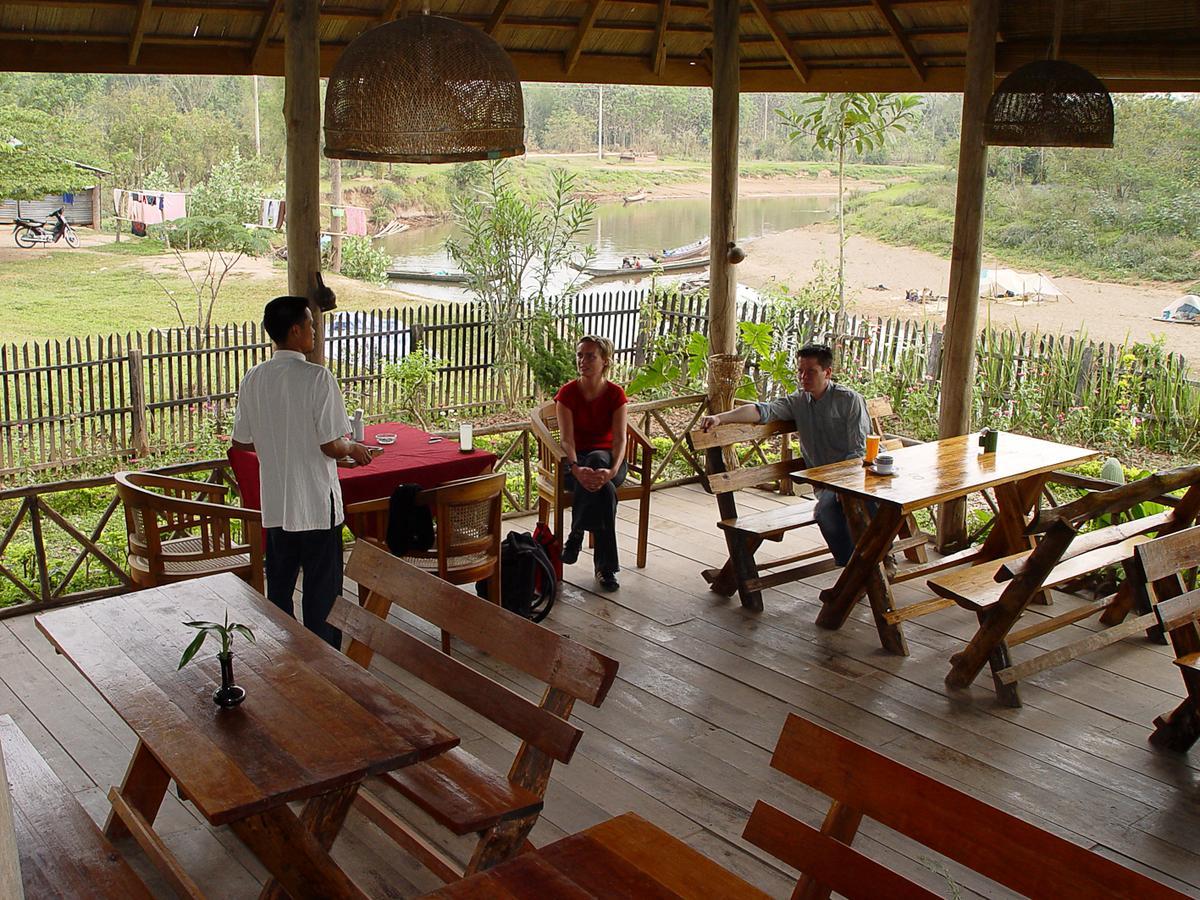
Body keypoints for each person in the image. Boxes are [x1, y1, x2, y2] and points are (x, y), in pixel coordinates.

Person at [231, 296, 376, 647]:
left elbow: (242, 442)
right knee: (322, 591)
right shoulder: (317, 378)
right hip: (315, 503)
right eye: (310, 324)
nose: (315, 330)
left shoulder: (255, 378)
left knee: (280, 588)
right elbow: (331, 444)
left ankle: (286, 656)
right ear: (295, 331)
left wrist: (281, 447)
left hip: (278, 504)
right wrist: (354, 448)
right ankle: (326, 662)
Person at [698, 343, 869, 566]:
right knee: (827, 511)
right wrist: (721, 418)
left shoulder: (849, 401)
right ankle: (857, 568)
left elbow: (859, 450)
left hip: (855, 477)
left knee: (876, 505)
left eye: (811, 372)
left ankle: (874, 560)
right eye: (800, 371)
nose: (803, 377)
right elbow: (763, 410)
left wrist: (845, 485)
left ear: (827, 373)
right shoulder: (798, 401)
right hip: (826, 486)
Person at [554, 335, 628, 592]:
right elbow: (566, 439)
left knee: (599, 461)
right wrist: (575, 467)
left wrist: (613, 470)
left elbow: (620, 439)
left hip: (610, 461)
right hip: (573, 462)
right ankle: (606, 569)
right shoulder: (568, 394)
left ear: (605, 361)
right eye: (580, 355)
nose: (582, 361)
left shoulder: (616, 394)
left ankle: (576, 533)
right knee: (604, 491)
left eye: (590, 356)